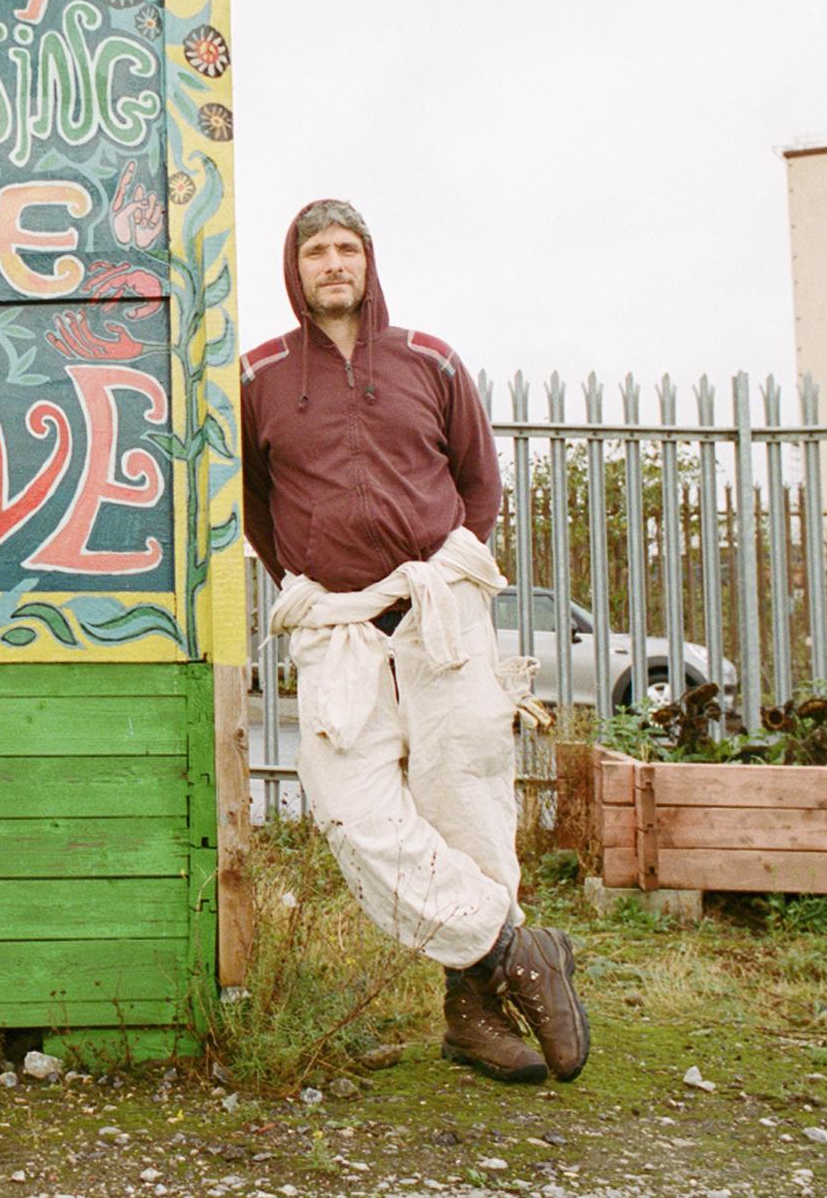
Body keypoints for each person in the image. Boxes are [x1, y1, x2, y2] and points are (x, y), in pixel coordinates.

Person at [240, 200, 589, 1084]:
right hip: (339, 624)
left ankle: (470, 1017)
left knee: (467, 803)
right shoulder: (260, 376)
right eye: (315, 250)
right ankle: (517, 949)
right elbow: (254, 503)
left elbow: (478, 481)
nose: (333, 263)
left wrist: (443, 569)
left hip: (441, 612)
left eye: (346, 248)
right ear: (295, 267)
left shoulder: (430, 359)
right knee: (352, 805)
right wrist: (314, 582)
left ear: (369, 260)